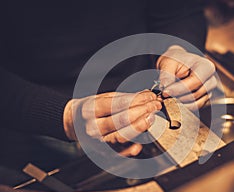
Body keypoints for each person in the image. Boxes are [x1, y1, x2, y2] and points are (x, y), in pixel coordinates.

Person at [0, 0, 217, 156]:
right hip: (40, 126)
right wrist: (64, 118)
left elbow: (179, 10)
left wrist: (179, 47)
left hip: (148, 107)